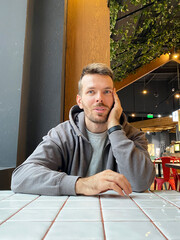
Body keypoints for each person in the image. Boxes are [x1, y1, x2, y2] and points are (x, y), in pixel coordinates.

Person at [11, 63, 155, 196]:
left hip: (119, 215)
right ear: (80, 101)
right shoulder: (62, 134)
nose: (99, 98)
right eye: (91, 92)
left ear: (115, 99)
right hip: (72, 215)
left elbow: (141, 183)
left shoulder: (133, 136)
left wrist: (114, 128)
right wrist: (83, 185)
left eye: (106, 92)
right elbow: (21, 178)